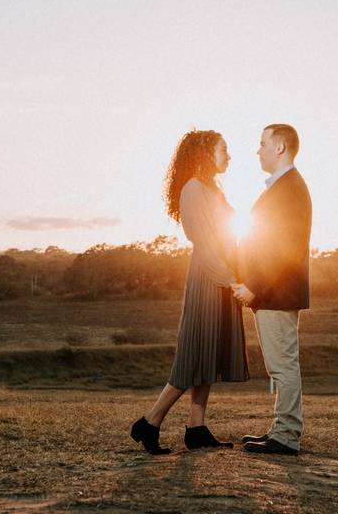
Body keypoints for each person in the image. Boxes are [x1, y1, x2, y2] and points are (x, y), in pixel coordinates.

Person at [130, 130, 249, 455]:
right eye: (224, 149)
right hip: (209, 277)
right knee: (194, 355)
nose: (229, 156)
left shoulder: (210, 188)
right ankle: (149, 422)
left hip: (221, 276)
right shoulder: (194, 189)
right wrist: (231, 279)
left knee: (208, 354)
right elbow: (206, 243)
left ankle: (196, 428)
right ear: (205, 153)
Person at [233, 123, 312, 456]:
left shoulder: (290, 188)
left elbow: (285, 249)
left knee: (283, 365)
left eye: (263, 143)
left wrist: (254, 286)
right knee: (280, 364)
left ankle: (287, 436)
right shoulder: (283, 187)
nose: (258, 149)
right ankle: (281, 430)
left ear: (280, 147)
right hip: (272, 294)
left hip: (276, 294)